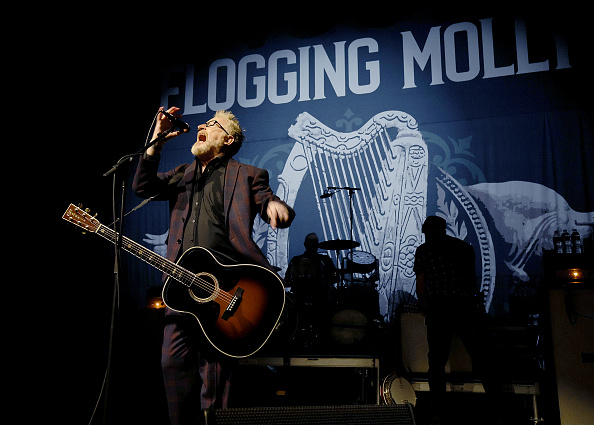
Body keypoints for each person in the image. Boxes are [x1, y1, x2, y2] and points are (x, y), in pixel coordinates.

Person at [133, 106, 295, 425]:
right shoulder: (183, 174)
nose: (202, 126)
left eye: (212, 124)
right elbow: (143, 187)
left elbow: (265, 199)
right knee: (171, 362)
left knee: (215, 378)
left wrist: (275, 205)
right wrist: (157, 138)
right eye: (203, 122)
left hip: (225, 291)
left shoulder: (248, 174)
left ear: (228, 139)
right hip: (181, 287)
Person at [414, 216, 498, 424]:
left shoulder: (424, 251)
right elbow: (471, 281)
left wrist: (426, 309)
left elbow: (421, 286)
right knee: (481, 357)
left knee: (436, 362)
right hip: (464, 307)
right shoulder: (464, 248)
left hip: (439, 308)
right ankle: (498, 407)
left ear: (426, 231)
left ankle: (437, 410)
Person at [285, 233, 337, 346]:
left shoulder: (324, 260)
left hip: (316, 295)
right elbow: (288, 280)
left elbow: (333, 278)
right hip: (306, 295)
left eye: (314, 243)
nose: (312, 245)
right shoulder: (297, 260)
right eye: (311, 242)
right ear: (305, 244)